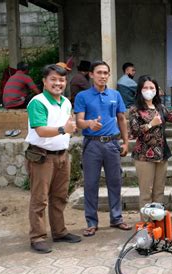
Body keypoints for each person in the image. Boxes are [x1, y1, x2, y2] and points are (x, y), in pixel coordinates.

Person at [25, 64, 81, 253]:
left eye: (62, 80)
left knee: (59, 197)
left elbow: (69, 123)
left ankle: (59, 231)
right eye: (54, 79)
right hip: (42, 157)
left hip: (62, 155)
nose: (58, 83)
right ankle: (37, 237)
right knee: (39, 199)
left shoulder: (65, 101)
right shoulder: (38, 102)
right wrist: (63, 130)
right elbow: (40, 130)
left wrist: (71, 128)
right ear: (44, 81)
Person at [74, 60, 131, 237]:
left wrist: (126, 142)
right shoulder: (82, 96)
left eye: (106, 73)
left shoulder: (115, 95)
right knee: (91, 184)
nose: (103, 76)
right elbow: (79, 121)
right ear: (91, 75)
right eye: (99, 72)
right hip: (92, 144)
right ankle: (91, 222)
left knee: (115, 182)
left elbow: (121, 118)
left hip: (112, 144)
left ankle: (116, 218)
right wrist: (89, 123)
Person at [128, 75, 172, 209]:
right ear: (140, 90)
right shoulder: (135, 109)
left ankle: (157, 224)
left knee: (159, 192)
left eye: (152, 87)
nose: (149, 90)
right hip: (144, 156)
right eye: (146, 87)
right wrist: (150, 124)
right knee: (146, 193)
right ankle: (146, 225)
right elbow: (134, 132)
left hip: (161, 155)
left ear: (156, 90)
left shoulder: (160, 107)